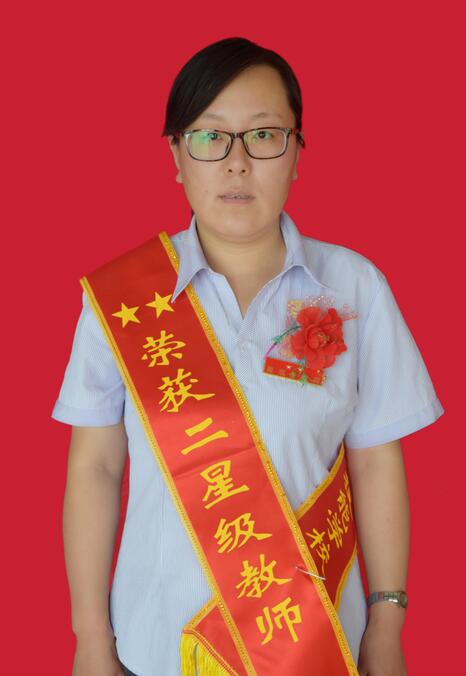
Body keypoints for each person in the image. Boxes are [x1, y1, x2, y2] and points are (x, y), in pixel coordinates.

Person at [52, 37, 444, 676]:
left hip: (315, 645)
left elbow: (376, 461)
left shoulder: (354, 287)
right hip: (158, 644)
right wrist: (90, 637)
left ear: (297, 153)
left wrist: (387, 622)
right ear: (177, 156)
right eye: (210, 138)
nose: (237, 164)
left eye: (264, 136)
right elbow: (94, 468)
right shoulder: (123, 300)